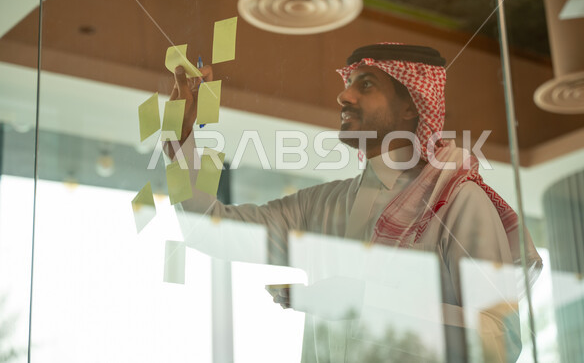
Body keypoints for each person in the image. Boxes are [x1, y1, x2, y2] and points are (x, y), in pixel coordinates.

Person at [167, 43, 542, 362]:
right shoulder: (323, 205)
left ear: (412, 106)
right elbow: (208, 229)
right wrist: (183, 135)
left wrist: (362, 302)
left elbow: (497, 341)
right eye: (347, 85)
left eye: (365, 85)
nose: (344, 96)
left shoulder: (457, 202)